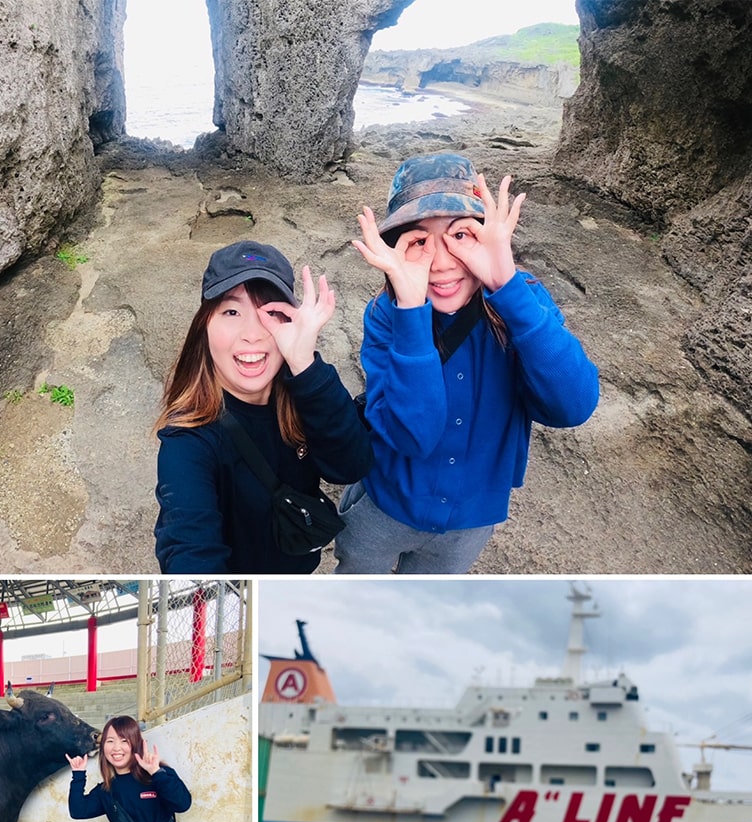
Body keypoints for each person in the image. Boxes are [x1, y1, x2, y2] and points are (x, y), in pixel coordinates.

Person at [334, 152, 600, 574]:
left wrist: (506, 285)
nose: (440, 263)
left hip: (471, 518)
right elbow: (411, 436)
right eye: (418, 241)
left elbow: (573, 406)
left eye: (461, 236)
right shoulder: (387, 314)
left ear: (489, 235)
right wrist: (410, 310)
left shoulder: (524, 298)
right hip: (385, 503)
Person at [154, 239, 373, 573]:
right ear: (204, 328)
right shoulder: (189, 441)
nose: (252, 334)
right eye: (231, 312)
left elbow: (350, 466)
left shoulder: (305, 390)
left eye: (270, 313)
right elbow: (188, 545)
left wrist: (306, 365)